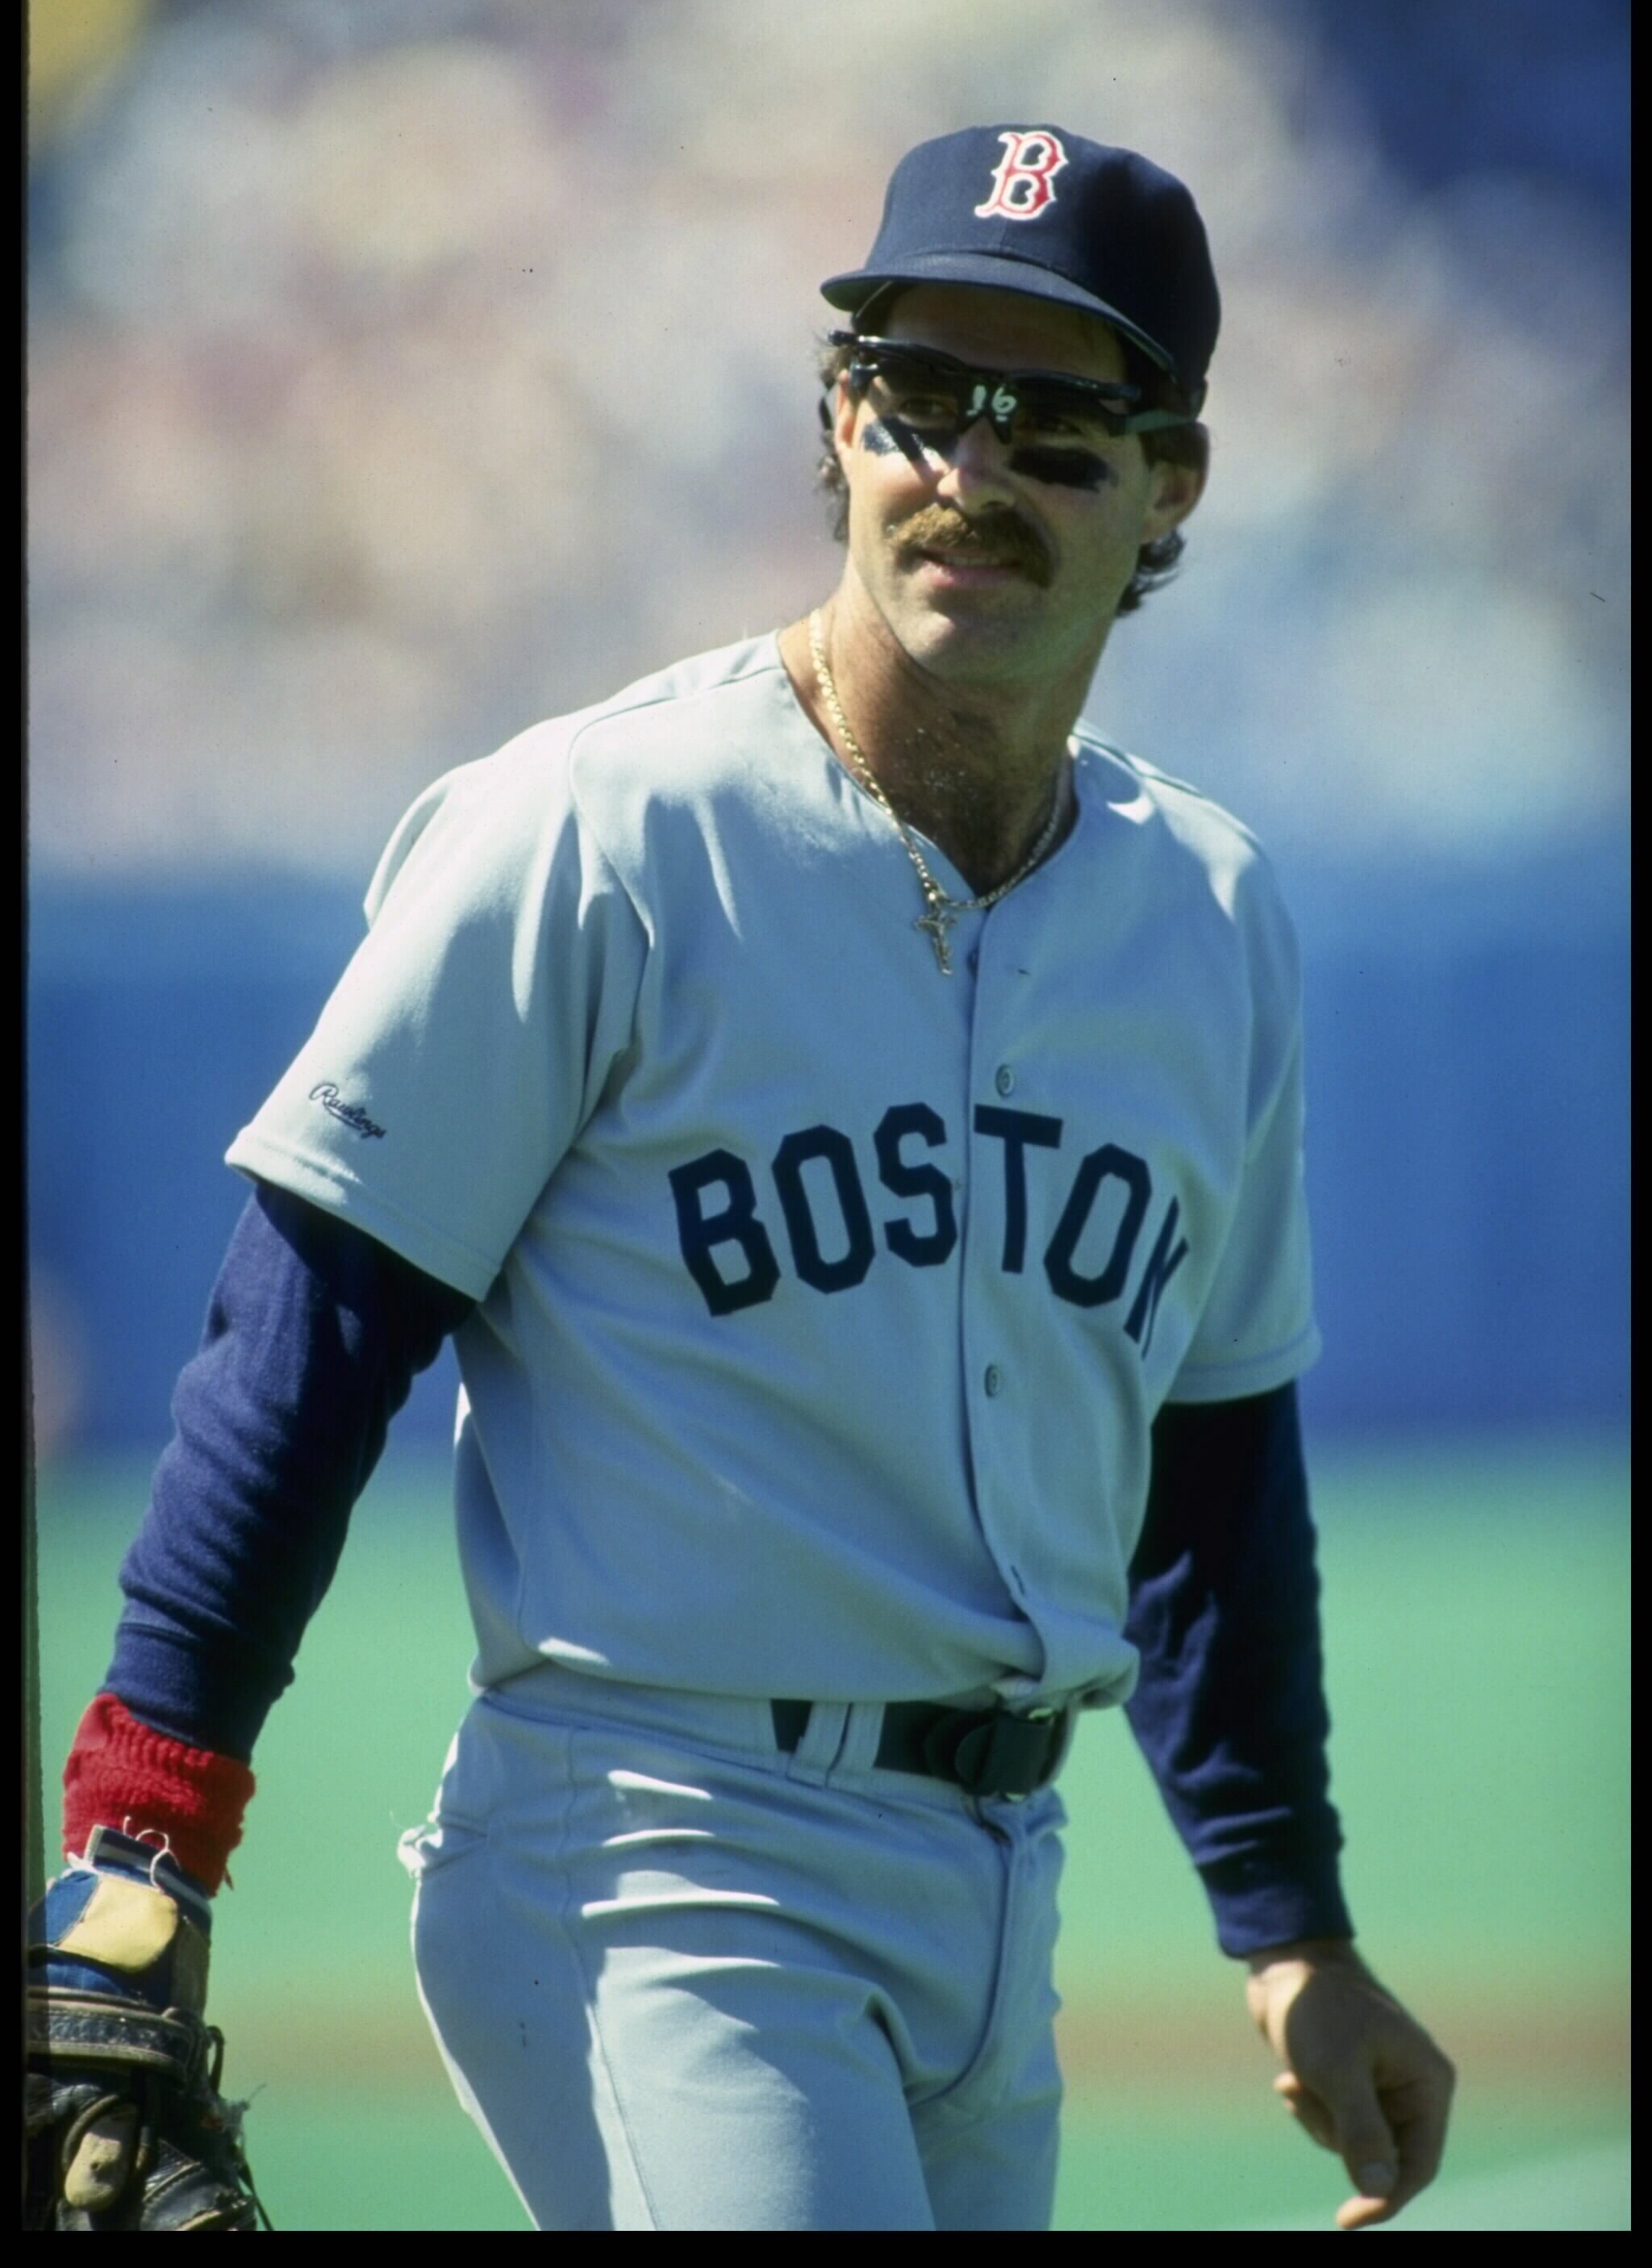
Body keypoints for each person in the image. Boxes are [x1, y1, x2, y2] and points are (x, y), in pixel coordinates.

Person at [28, 123, 1454, 2233]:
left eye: (1056, 423)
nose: (968, 468)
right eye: (916, 395)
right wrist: (138, 1847)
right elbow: (307, 1341)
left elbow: (1215, 1464)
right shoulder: (599, 835)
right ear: (835, 418)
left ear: (1176, 481)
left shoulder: (1207, 914)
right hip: (658, 1861)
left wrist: (1289, 1922)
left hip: (1002, 1882)